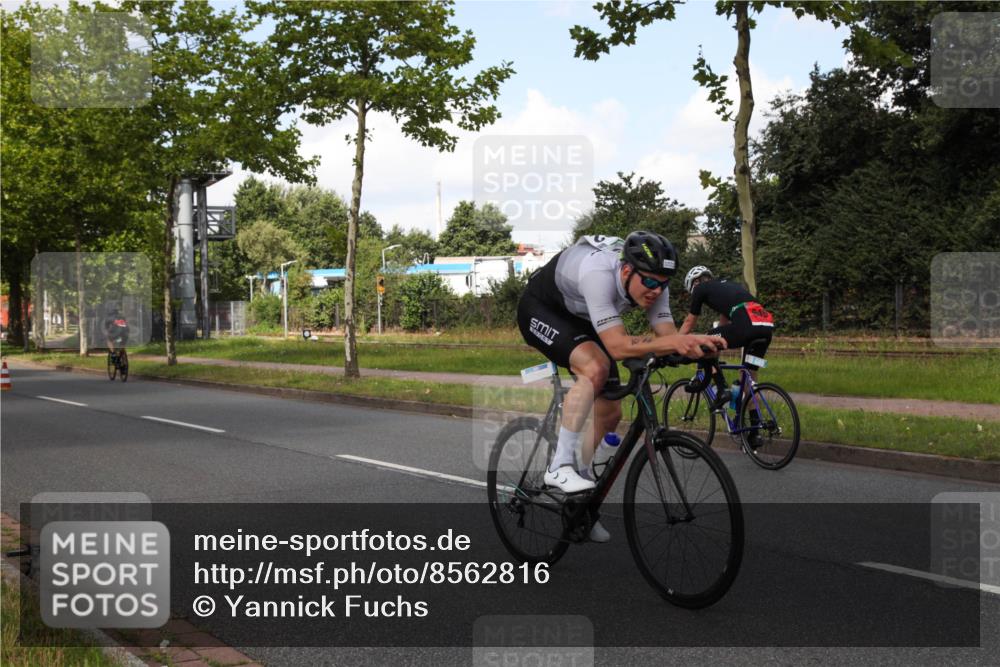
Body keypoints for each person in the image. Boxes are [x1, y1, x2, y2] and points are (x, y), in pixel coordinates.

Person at [516, 232, 725, 541]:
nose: (656, 291)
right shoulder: (597, 274)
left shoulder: (656, 284)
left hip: (585, 316)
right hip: (543, 308)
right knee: (596, 367)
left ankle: (581, 497)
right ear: (626, 271)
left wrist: (694, 348)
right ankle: (559, 466)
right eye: (650, 283)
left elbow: (665, 336)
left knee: (610, 411)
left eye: (664, 284)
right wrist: (675, 342)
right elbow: (617, 346)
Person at [679, 266, 774, 442]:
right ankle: (755, 431)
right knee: (750, 377)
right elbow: (724, 326)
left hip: (747, 327)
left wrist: (675, 343)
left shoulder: (701, 288)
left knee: (706, 340)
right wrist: (716, 350)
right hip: (766, 327)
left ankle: (722, 390)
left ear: (695, 283)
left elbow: (689, 321)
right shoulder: (728, 288)